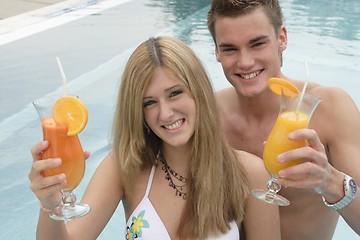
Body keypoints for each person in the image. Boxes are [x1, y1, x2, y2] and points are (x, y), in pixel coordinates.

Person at [29, 36, 281, 239]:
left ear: (199, 91)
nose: (165, 113)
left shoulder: (250, 173)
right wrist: (50, 205)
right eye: (149, 102)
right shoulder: (124, 167)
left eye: (174, 94)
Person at [207, 0, 360, 239]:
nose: (245, 62)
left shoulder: (330, 109)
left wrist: (330, 181)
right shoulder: (207, 116)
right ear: (216, 51)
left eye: (257, 44)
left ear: (282, 38)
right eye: (229, 49)